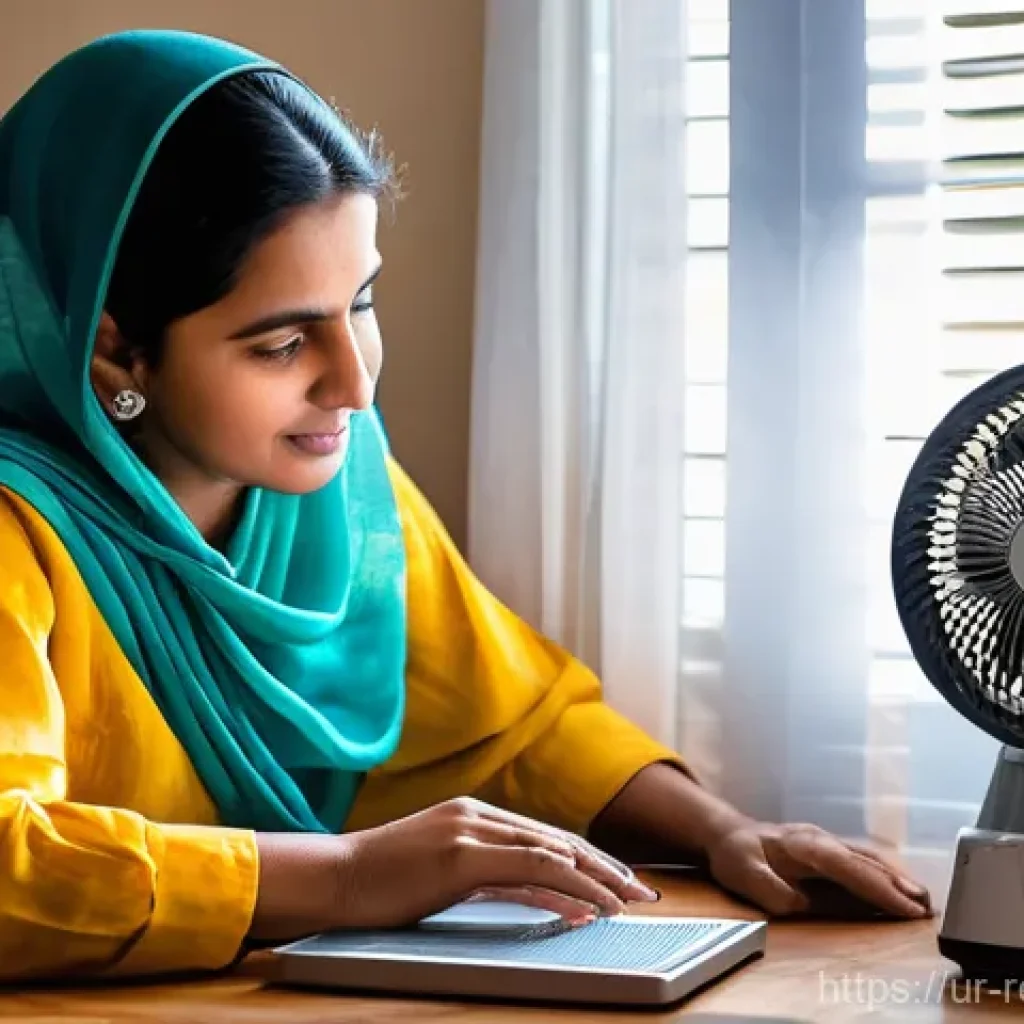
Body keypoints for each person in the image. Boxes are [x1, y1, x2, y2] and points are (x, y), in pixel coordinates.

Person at [0, 30, 930, 981]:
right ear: (114, 348)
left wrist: (725, 833)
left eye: (360, 303)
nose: (355, 386)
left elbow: (510, 722)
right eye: (281, 344)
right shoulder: (15, 533)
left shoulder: (343, 499)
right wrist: (351, 874)